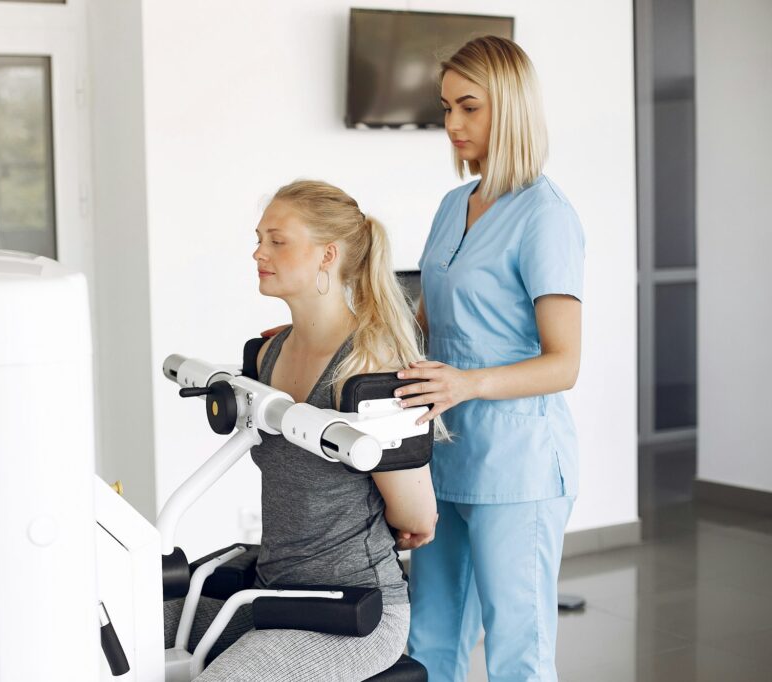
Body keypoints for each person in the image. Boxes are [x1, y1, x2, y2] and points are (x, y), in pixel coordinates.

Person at [164, 179, 444, 680]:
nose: (258, 252)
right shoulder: (269, 353)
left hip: (352, 612)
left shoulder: (368, 363)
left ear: (327, 255)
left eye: (277, 240)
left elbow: (419, 516)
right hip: (271, 594)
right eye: (258, 238)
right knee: (122, 633)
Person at [397, 36, 585, 682]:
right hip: (445, 458)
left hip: (518, 467)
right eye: (446, 108)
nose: (451, 125)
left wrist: (468, 382)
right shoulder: (455, 206)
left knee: (517, 654)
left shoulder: (545, 217)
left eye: (468, 108)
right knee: (430, 641)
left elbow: (563, 364)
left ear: (509, 107)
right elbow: (421, 329)